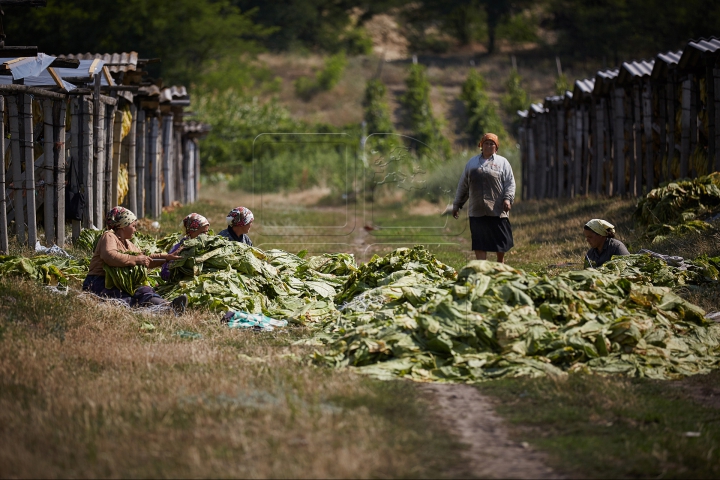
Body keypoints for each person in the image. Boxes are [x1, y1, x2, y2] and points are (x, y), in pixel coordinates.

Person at [82, 206, 188, 313]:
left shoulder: (128, 244)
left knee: (145, 291)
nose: (135, 230)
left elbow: (146, 259)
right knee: (124, 298)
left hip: (119, 283)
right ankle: (155, 310)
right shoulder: (109, 236)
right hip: (99, 281)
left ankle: (168, 306)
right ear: (123, 225)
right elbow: (110, 256)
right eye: (133, 226)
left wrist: (166, 258)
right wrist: (136, 259)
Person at [452, 133, 516, 263]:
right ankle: (482, 267)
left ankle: (500, 263)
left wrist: (507, 199)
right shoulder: (472, 163)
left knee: (501, 240)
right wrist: (457, 204)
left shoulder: (502, 163)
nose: (489, 146)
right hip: (477, 210)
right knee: (479, 241)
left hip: (497, 210)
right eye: (486, 143)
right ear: (481, 145)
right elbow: (463, 186)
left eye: (492, 143)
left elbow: (510, 182)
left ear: (496, 147)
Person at [160, 213, 210, 281]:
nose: (205, 235)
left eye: (206, 232)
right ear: (191, 232)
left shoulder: (208, 246)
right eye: (202, 232)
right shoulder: (178, 249)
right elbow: (164, 273)